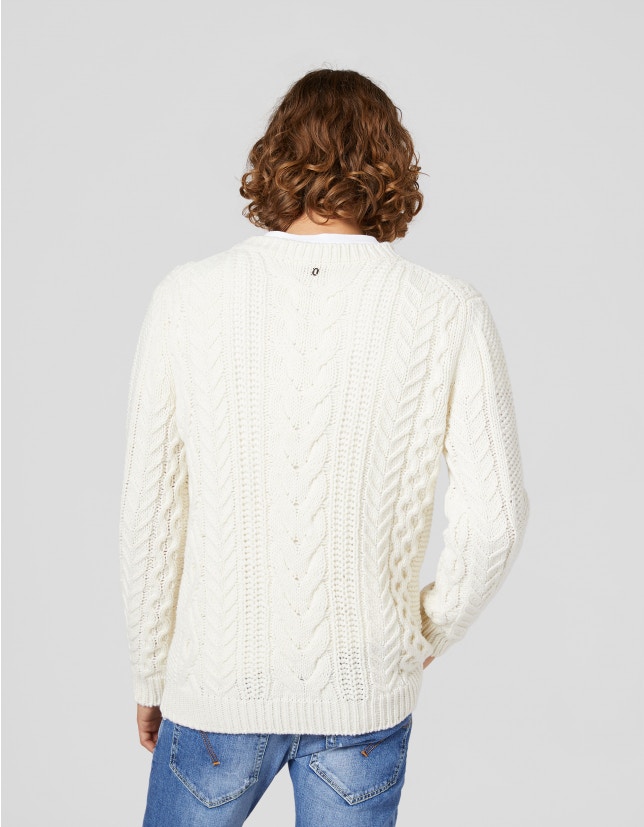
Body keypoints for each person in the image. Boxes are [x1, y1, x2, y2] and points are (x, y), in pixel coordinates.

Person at [119, 67, 530, 826]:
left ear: (276, 156)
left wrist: (150, 670)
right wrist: (423, 631)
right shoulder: (447, 309)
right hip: (363, 688)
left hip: (216, 686)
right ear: (392, 164)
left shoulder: (187, 297)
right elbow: (497, 517)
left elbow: (152, 509)